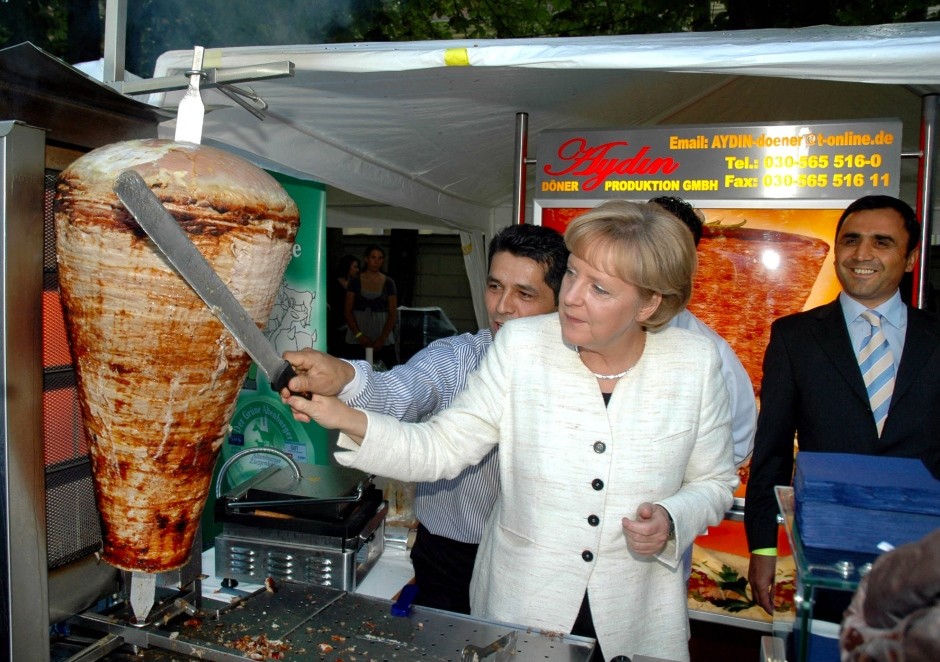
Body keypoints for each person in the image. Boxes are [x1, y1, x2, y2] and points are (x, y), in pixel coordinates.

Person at [282, 200, 738, 662]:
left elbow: (715, 482)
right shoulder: (522, 347)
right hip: (523, 608)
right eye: (574, 275)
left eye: (598, 288)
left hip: (636, 617)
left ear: (650, 303)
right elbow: (441, 447)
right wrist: (345, 417)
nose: (573, 296)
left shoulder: (695, 364)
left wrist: (672, 516)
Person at [281, 223, 567, 614]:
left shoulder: (582, 380)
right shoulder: (457, 357)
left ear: (560, 300)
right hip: (448, 555)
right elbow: (401, 392)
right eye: (496, 286)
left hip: (540, 568)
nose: (503, 306)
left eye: (525, 294)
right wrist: (345, 377)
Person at [744, 194, 940, 616]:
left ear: (909, 258)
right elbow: (772, 451)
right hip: (827, 556)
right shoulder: (795, 337)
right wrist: (762, 545)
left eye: (882, 242)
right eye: (850, 240)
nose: (862, 253)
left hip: (927, 560)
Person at [650, 195, 756, 467]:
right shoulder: (586, 324)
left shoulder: (710, 353)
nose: (651, 253)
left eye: (669, 246)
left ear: (688, 263)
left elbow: (738, 444)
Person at [344, 245, 398, 367]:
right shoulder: (355, 282)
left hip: (382, 334)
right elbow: (347, 311)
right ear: (366, 259)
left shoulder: (389, 283)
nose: (376, 261)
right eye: (373, 257)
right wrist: (359, 335)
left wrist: (382, 339)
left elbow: (392, 313)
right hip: (357, 334)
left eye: (380, 258)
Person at [328, 254, 360, 358]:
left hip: (350, 323)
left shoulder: (357, 284)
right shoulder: (333, 282)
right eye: (355, 267)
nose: (357, 270)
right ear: (347, 267)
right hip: (335, 322)